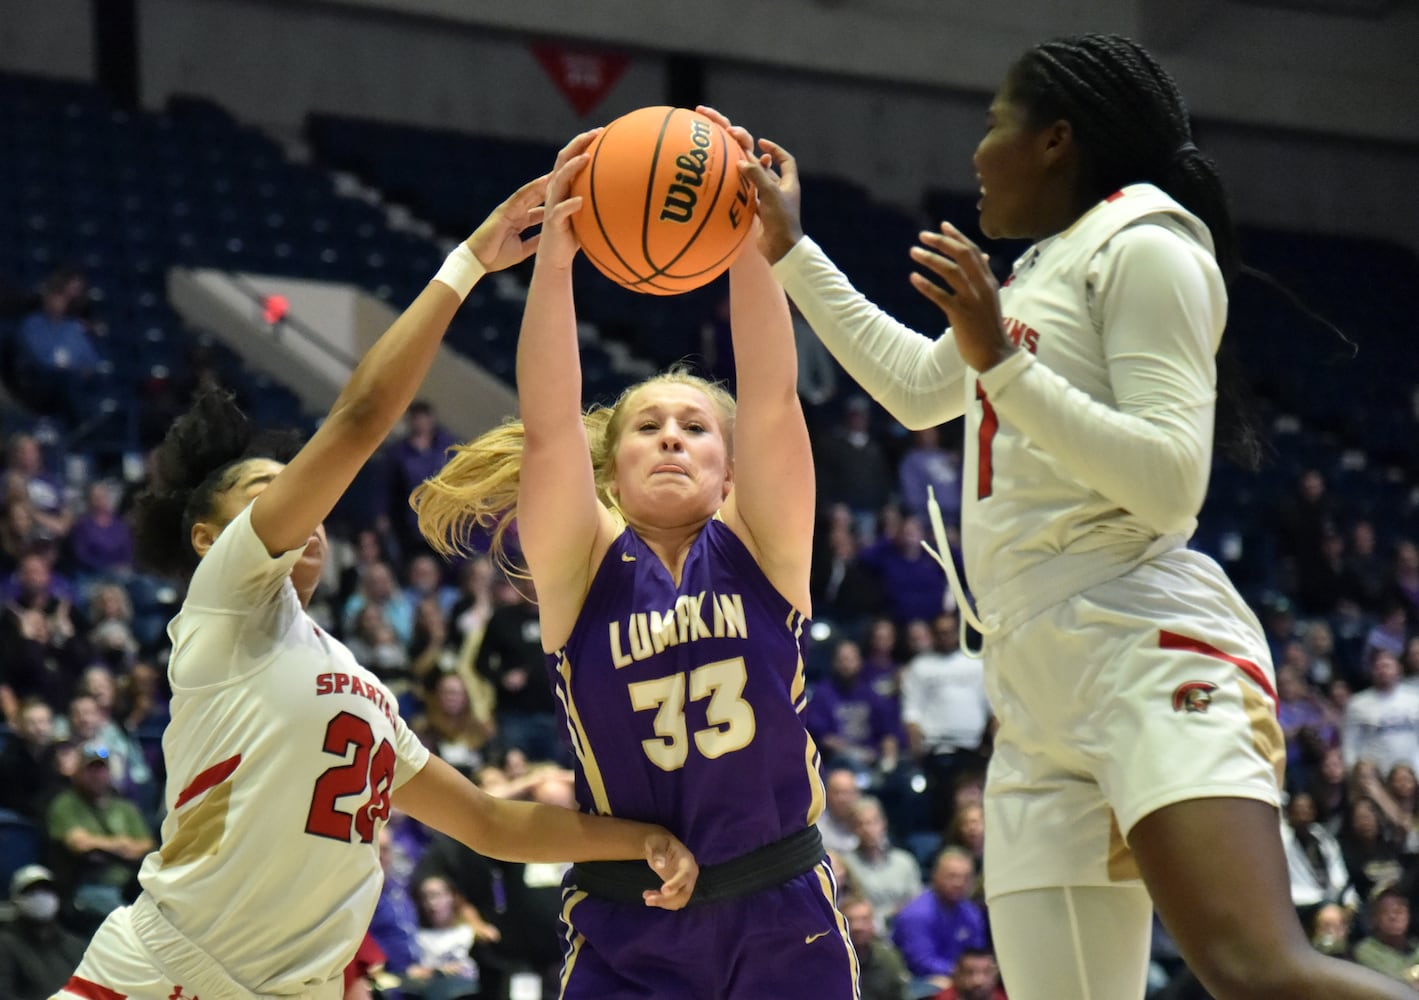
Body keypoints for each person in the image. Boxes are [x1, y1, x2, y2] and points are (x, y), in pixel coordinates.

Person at [731, 31, 1413, 1000]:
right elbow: (916, 388)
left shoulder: (1150, 245)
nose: (976, 153)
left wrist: (1000, 362)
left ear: (1058, 139)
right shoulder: (1036, 274)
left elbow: (1174, 482)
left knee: (1255, 968)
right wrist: (789, 249)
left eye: (995, 124)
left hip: (1145, 640)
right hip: (1032, 676)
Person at [52, 176, 698, 1000]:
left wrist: (646, 838)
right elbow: (358, 421)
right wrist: (468, 263)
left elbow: (490, 823)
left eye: (302, 486)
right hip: (165, 977)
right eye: (269, 493)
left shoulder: (355, 685)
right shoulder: (223, 604)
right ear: (213, 541)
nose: (304, 505)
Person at [414, 128, 857, 997]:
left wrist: (751, 238)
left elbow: (768, 397)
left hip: (780, 908)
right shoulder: (580, 567)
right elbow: (547, 425)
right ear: (607, 471)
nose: (670, 438)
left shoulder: (762, 546)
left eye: (694, 428)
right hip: (630, 920)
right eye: (648, 426)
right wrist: (556, 260)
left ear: (730, 471)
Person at [890, 848, 989, 994]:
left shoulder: (971, 913)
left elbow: (977, 953)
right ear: (935, 876)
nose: (959, 883)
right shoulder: (916, 914)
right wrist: (963, 974)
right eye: (952, 877)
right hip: (919, 981)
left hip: (962, 978)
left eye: (966, 877)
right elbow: (921, 963)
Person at [0, 864, 89, 1000]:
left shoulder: (74, 945)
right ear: (16, 898)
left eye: (47, 891)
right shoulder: (6, 946)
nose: (41, 897)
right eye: (32, 892)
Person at [841, 893, 911, 1000]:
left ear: (873, 924)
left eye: (864, 920)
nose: (857, 927)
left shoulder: (887, 959)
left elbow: (900, 995)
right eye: (850, 920)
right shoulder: (829, 961)